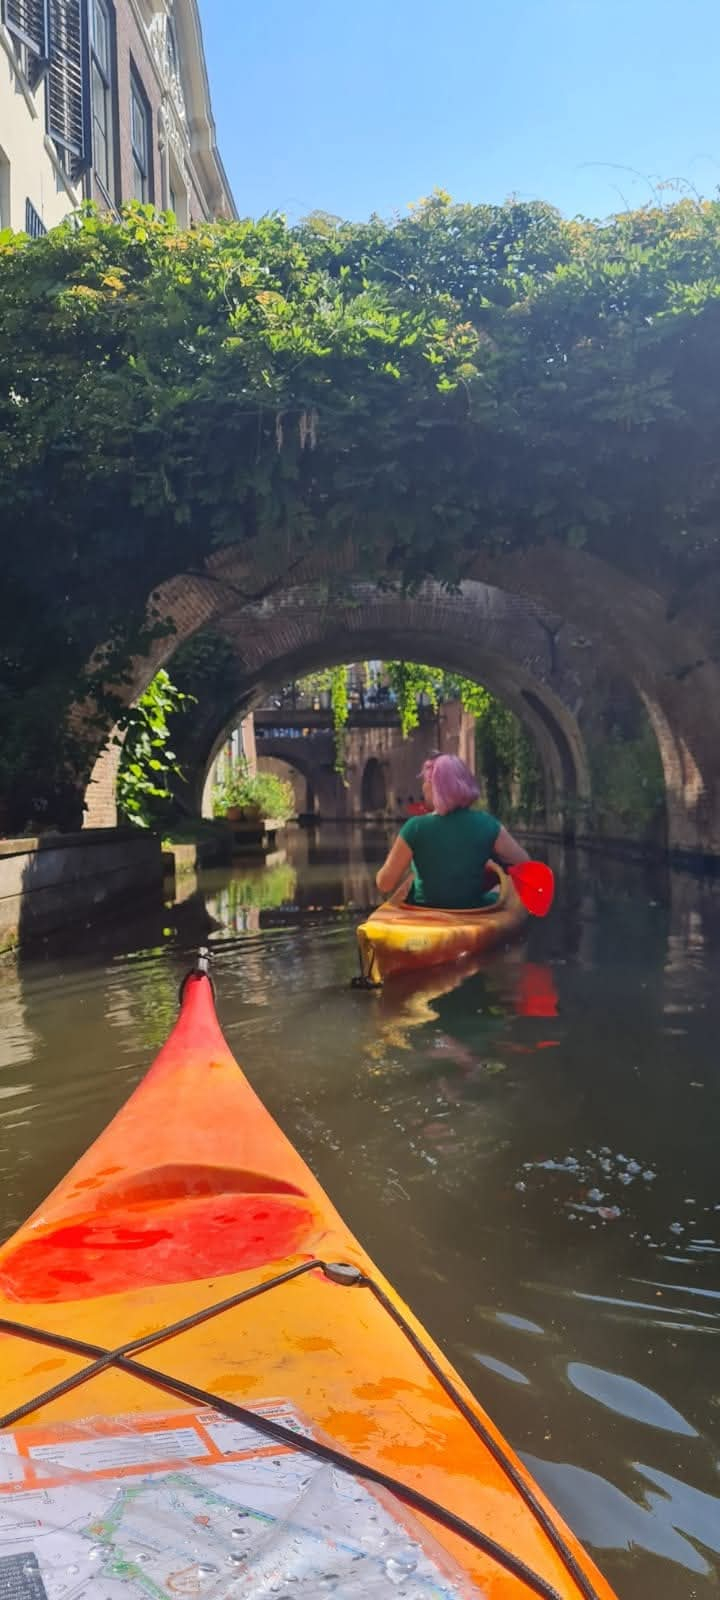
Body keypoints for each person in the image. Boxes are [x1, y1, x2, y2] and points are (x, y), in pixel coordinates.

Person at [375, 754, 529, 908]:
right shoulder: (487, 823)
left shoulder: (415, 827)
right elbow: (526, 864)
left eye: (426, 782)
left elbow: (385, 884)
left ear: (434, 786)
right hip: (473, 910)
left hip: (424, 911)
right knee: (504, 886)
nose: (423, 787)